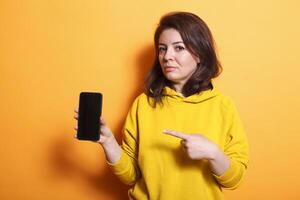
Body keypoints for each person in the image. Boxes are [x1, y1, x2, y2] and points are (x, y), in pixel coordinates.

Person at [74, 11, 249, 200]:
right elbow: (131, 175)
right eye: (163, 48)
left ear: (200, 54)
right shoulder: (143, 104)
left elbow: (234, 180)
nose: (167, 57)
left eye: (179, 48)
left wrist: (213, 153)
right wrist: (108, 142)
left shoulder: (223, 107)